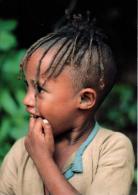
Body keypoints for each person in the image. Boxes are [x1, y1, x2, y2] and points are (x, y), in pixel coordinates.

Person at [0, 13, 135, 195]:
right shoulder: (21, 152)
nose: (27, 100)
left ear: (85, 99)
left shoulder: (112, 148)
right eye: (27, 87)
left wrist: (43, 161)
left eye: (39, 89)